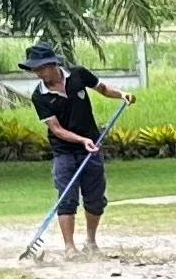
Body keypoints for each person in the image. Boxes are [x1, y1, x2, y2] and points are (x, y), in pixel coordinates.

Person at [26, 41, 136, 257]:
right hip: (64, 152)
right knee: (67, 198)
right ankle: (69, 248)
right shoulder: (39, 96)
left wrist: (121, 94)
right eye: (35, 70)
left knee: (95, 199)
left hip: (92, 148)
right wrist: (81, 140)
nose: (38, 74)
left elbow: (103, 89)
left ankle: (91, 242)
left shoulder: (78, 75)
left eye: (40, 68)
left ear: (52, 64)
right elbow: (56, 129)